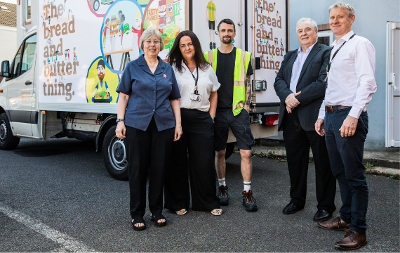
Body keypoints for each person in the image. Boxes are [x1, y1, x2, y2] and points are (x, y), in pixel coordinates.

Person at [315, 2, 377, 250]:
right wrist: (322, 116)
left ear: (352, 18)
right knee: (339, 171)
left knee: (354, 175)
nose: (335, 21)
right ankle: (346, 218)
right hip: (331, 115)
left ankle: (358, 231)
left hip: (348, 115)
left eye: (340, 17)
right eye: (332, 17)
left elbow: (368, 83)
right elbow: (331, 88)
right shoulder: (335, 48)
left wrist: (353, 115)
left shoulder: (360, 44)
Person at [115, 28, 182, 231]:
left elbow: (174, 98)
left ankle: (156, 210)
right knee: (137, 170)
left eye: (156, 41)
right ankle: (137, 213)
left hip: (163, 125)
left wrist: (178, 124)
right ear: (142, 44)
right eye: (148, 41)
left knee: (159, 169)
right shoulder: (133, 67)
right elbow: (123, 96)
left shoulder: (167, 69)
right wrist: (120, 121)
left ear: (161, 45)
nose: (152, 45)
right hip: (137, 125)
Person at [273, 18, 336, 221]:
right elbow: (279, 80)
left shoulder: (325, 52)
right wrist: (287, 97)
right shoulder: (290, 56)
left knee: (323, 163)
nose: (304, 33)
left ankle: (325, 206)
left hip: (315, 117)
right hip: (291, 117)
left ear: (316, 32)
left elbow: (323, 83)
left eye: (308, 29)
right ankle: (297, 200)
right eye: (300, 30)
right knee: (295, 162)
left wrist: (296, 98)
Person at [164, 30, 222, 216]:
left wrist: (211, 116)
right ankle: (177, 203)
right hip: (178, 119)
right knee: (177, 162)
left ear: (195, 45)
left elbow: (214, 92)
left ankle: (207, 202)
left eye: (189, 44)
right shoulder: (173, 68)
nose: (187, 48)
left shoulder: (207, 68)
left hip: (202, 119)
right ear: (178, 49)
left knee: (203, 162)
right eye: (182, 45)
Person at [204, 19, 257, 212]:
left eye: (230, 30)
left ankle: (247, 192)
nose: (227, 33)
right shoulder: (208, 56)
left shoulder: (244, 56)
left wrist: (246, 106)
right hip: (217, 111)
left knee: (246, 152)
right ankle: (222, 188)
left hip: (237, 111)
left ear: (235, 34)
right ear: (218, 33)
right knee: (219, 152)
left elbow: (249, 83)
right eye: (223, 30)